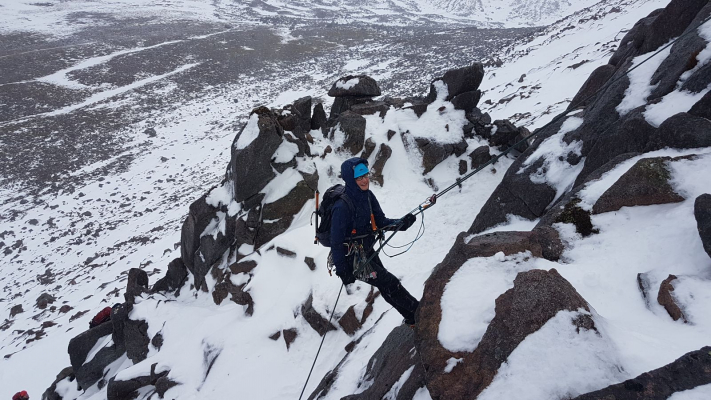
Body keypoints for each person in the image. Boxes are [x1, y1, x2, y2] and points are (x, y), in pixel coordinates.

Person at [330, 157, 420, 325]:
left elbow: (380, 222)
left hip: (366, 250)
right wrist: (343, 271)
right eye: (359, 177)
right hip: (352, 259)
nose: (364, 180)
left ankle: (412, 317)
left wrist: (401, 223)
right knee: (389, 282)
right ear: (351, 179)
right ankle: (419, 312)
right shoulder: (341, 207)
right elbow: (336, 242)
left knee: (386, 285)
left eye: (365, 175)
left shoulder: (368, 196)